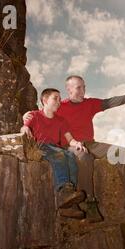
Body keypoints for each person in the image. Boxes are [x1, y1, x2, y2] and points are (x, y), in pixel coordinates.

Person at [23, 75, 125, 216]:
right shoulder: (60, 106)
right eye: (79, 88)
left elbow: (108, 102)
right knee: (84, 158)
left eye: (84, 87)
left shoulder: (89, 104)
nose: (83, 91)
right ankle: (90, 204)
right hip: (69, 146)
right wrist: (26, 116)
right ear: (69, 89)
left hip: (91, 143)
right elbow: (42, 113)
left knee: (120, 152)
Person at [20, 88, 97, 220]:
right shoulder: (34, 115)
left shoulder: (61, 120)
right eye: (55, 98)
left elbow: (70, 139)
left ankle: (69, 203)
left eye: (60, 99)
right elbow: (24, 126)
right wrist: (25, 127)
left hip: (56, 148)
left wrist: (76, 143)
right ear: (45, 100)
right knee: (60, 156)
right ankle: (64, 192)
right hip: (41, 146)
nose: (59, 102)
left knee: (71, 157)